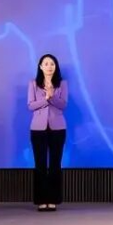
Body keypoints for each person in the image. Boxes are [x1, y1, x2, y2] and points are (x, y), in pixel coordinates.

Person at [28, 54, 68, 211]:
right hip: (38, 129)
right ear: (40, 67)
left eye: (52, 63)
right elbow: (31, 105)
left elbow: (63, 104)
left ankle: (53, 199)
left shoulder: (62, 84)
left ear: (56, 66)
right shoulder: (33, 84)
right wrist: (46, 98)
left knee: (55, 164)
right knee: (40, 164)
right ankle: (41, 199)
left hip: (58, 128)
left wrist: (52, 97)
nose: (49, 66)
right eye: (46, 64)